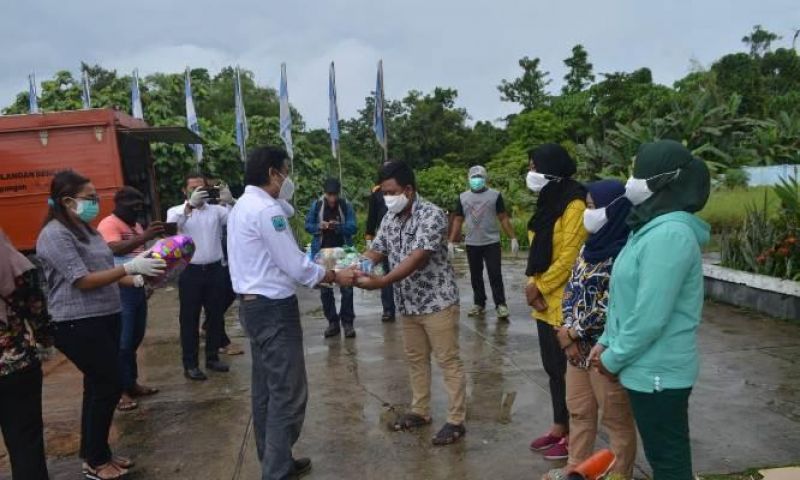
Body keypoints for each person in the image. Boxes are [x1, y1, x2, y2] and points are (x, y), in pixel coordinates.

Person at [228, 146, 353, 480]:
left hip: (252, 306)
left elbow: (285, 220)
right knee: (289, 392)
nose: (289, 179)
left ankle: (276, 458)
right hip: (273, 309)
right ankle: (276, 470)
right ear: (273, 173)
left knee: (267, 389)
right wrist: (333, 275)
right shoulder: (268, 212)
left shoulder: (243, 205)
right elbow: (296, 267)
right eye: (286, 171)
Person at [591, 140, 710, 480]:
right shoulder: (648, 228)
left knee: (669, 463)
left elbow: (650, 316)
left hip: (659, 372)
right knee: (663, 459)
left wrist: (613, 358)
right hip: (644, 368)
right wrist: (607, 339)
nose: (631, 180)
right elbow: (625, 299)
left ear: (664, 180)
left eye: (638, 172)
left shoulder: (669, 235)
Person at [36, 170, 165, 480]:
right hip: (76, 322)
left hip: (104, 316)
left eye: (95, 197)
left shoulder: (87, 230)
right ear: (67, 200)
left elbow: (106, 268)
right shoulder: (55, 234)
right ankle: (96, 460)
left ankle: (95, 453)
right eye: (89, 198)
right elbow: (81, 280)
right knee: (107, 385)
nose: (95, 203)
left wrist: (134, 278)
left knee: (97, 386)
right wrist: (129, 267)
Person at [356, 161, 467, 446]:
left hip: (437, 302)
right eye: (383, 193)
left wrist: (382, 282)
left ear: (408, 189)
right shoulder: (389, 218)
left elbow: (417, 257)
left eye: (391, 192)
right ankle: (420, 410)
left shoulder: (431, 215)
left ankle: (456, 420)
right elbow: (377, 249)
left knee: (447, 360)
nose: (386, 198)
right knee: (416, 360)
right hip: (408, 303)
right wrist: (358, 267)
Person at [542, 180, 637, 480]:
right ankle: (577, 467)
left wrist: (573, 333)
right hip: (575, 348)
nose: (588, 212)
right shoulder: (589, 245)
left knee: (615, 419)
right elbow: (572, 289)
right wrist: (566, 332)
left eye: (593, 206)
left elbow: (611, 305)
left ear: (614, 208)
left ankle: (620, 473)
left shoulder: (625, 251)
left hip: (604, 350)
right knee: (580, 411)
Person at [525, 144, 588, 461]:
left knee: (571, 374)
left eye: (535, 167)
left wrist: (538, 286)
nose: (531, 173)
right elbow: (537, 254)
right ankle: (558, 427)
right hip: (543, 304)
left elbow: (570, 256)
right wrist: (534, 286)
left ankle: (576, 434)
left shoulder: (575, 203)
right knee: (553, 369)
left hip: (565, 303)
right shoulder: (546, 201)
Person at [97, 187, 163, 411]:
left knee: (134, 339)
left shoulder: (135, 225)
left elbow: (140, 255)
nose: (137, 211)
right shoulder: (109, 224)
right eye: (133, 207)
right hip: (120, 289)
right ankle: (119, 392)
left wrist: (148, 281)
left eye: (139, 207)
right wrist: (145, 236)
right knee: (122, 343)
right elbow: (113, 250)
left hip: (137, 288)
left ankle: (131, 383)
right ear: (120, 205)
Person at [166, 174, 234, 380]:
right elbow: (171, 230)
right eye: (193, 188)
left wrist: (230, 201)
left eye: (201, 188)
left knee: (215, 317)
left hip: (214, 269)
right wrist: (189, 208)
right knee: (189, 319)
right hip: (190, 270)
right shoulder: (176, 211)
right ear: (184, 191)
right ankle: (190, 364)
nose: (198, 191)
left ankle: (212, 357)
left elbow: (238, 220)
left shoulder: (216, 211)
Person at [0, 229, 51, 480]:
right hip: (15, 364)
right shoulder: (13, 262)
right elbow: (36, 308)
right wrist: (45, 340)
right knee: (25, 440)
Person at [448, 165, 519, 320]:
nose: (476, 180)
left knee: (495, 273)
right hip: (472, 243)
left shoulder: (495, 196)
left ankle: (501, 305)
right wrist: (451, 242)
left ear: (485, 178)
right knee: (475, 275)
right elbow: (458, 220)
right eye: (473, 177)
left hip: (491, 242)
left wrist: (513, 237)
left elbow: (503, 218)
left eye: (479, 177)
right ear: (469, 179)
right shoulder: (463, 197)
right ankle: (479, 304)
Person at [304, 177, 357, 338]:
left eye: (335, 195)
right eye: (329, 195)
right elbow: (308, 225)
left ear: (338, 194)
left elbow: (353, 227)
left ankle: (347, 323)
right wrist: (319, 226)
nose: (332, 198)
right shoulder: (317, 206)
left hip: (343, 250)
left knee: (347, 287)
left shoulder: (345, 206)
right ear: (324, 193)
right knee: (325, 290)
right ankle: (332, 322)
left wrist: (338, 227)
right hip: (323, 251)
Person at [365, 170, 395, 322]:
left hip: (403, 238)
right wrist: (369, 236)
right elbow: (372, 216)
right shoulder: (376, 194)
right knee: (387, 273)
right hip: (384, 238)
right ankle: (388, 309)